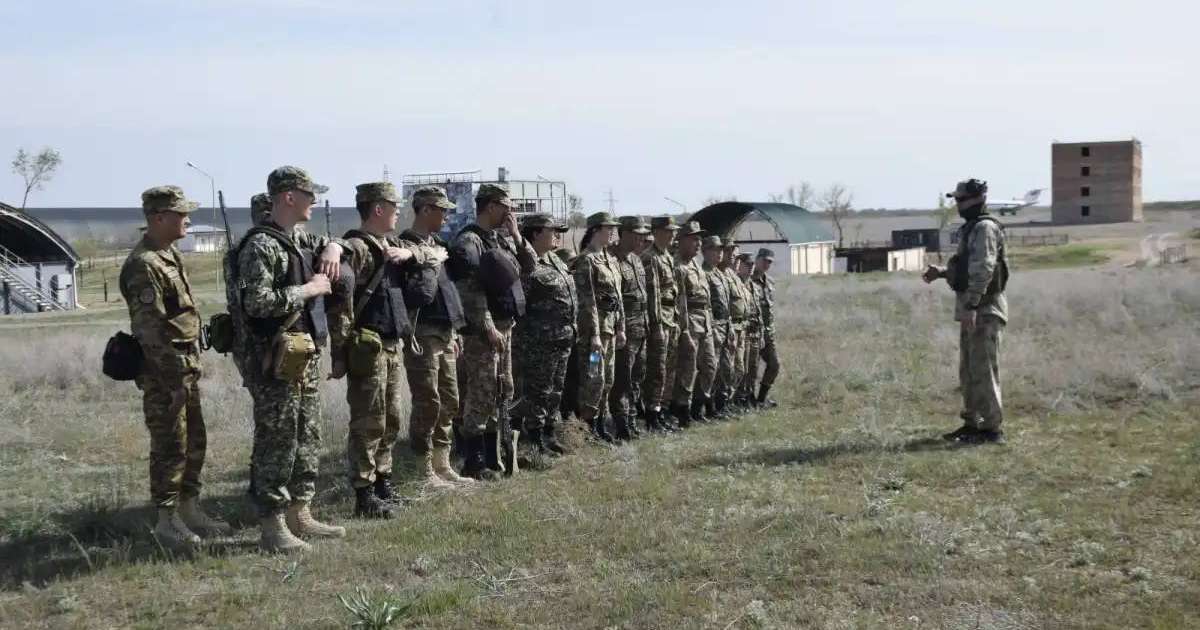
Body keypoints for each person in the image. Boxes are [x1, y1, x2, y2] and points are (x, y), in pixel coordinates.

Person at [237, 166, 346, 553]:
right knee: (278, 441)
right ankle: (273, 524)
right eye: (309, 194)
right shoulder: (261, 246)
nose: (314, 201)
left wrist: (334, 248)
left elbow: (332, 244)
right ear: (288, 197)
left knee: (306, 436)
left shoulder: (298, 238)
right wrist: (309, 288)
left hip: (302, 356)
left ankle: (301, 511)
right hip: (274, 361)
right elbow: (258, 303)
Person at [119, 185, 230, 547]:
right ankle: (166, 520)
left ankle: (189, 508)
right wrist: (173, 381)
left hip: (184, 369)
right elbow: (151, 332)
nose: (188, 220)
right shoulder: (143, 265)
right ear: (159, 218)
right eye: (182, 214)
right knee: (170, 446)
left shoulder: (167, 256)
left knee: (194, 441)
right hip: (165, 375)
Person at [329, 182, 447, 517]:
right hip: (369, 346)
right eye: (394, 206)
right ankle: (364, 494)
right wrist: (339, 354)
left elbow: (436, 253)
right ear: (378, 209)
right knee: (369, 421)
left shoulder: (392, 244)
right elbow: (340, 304)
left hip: (393, 345)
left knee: (391, 419)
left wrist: (411, 254)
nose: (399, 212)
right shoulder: (358, 247)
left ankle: (383, 481)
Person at [448, 183, 536, 480]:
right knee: (482, 392)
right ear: (491, 206)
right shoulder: (470, 242)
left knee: (503, 389)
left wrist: (517, 236)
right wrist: (487, 328)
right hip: (485, 332)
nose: (511, 212)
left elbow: (530, 265)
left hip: (505, 326)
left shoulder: (500, 239)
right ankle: (473, 460)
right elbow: (471, 292)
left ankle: (492, 455)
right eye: (507, 207)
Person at [395, 186, 474, 487]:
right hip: (422, 335)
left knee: (450, 400)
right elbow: (414, 295)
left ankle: (442, 464)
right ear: (426, 210)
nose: (445, 216)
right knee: (428, 401)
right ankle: (423, 467)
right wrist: (429, 257)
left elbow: (447, 292)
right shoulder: (405, 245)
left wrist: (455, 330)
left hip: (445, 333)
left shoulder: (438, 245)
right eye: (441, 210)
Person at [923, 178, 1009, 445]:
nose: (957, 205)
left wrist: (972, 305)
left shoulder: (984, 228)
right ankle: (972, 424)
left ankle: (991, 430)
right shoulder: (972, 228)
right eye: (956, 199)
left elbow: (984, 269)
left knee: (984, 370)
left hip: (983, 309)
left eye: (961, 200)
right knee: (969, 370)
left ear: (978, 199)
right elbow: (969, 269)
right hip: (972, 309)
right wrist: (943, 273)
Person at [513, 213, 576, 459]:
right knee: (538, 391)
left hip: (562, 338)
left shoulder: (555, 260)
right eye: (552, 230)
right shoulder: (525, 265)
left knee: (555, 389)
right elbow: (519, 304)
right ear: (536, 233)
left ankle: (549, 434)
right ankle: (535, 437)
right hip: (538, 341)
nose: (557, 235)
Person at [573, 212, 625, 442]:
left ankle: (601, 423)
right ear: (596, 230)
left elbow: (618, 297)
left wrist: (621, 326)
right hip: (595, 334)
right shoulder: (586, 260)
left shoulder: (610, 260)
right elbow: (588, 301)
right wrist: (594, 334)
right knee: (594, 378)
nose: (613, 231)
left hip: (611, 330)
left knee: (609, 379)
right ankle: (587, 427)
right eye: (608, 227)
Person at [608, 216, 651, 440]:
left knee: (637, 376)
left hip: (640, 328)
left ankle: (632, 420)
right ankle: (621, 424)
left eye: (643, 234)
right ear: (623, 234)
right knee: (622, 380)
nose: (640, 238)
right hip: (624, 330)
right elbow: (613, 300)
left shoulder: (636, 259)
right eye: (636, 234)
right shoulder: (612, 259)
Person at [640, 216, 682, 432]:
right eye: (668, 231)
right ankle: (651, 415)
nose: (672, 234)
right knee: (657, 369)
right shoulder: (650, 257)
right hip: (660, 320)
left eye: (673, 231)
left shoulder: (666, 256)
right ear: (656, 232)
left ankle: (662, 410)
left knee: (669, 368)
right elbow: (653, 294)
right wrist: (656, 325)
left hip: (670, 317)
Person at [670, 221, 712, 427]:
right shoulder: (678, 266)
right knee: (687, 369)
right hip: (690, 324)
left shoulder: (696, 264)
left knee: (709, 366)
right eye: (694, 239)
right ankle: (682, 411)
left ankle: (698, 407)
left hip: (705, 322)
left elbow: (706, 297)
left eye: (699, 239)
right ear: (682, 240)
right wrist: (685, 331)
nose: (698, 243)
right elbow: (681, 302)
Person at [698, 235, 730, 420]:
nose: (720, 253)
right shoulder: (704, 273)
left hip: (725, 326)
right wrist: (711, 327)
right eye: (715, 250)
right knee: (711, 368)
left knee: (723, 369)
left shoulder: (720, 273)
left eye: (721, 250)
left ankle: (718, 406)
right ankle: (706, 408)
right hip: (713, 327)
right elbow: (706, 304)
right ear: (706, 252)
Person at [717, 239, 749, 416]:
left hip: (738, 326)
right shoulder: (721, 274)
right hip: (726, 327)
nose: (734, 257)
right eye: (730, 253)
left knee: (738, 368)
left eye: (735, 254)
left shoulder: (732, 276)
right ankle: (720, 403)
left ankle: (728, 400)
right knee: (725, 368)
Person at [751, 248, 780, 407]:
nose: (767, 264)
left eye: (770, 262)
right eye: (764, 260)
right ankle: (746, 399)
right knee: (751, 369)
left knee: (774, 365)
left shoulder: (769, 282)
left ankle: (761, 398)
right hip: (754, 332)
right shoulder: (748, 279)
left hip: (768, 333)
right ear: (757, 259)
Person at [736, 253, 763, 408]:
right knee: (742, 367)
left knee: (753, 367)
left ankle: (750, 395)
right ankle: (740, 398)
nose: (751, 267)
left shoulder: (753, 285)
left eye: (753, 264)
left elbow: (758, 310)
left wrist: (762, 334)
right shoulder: (738, 283)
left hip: (755, 332)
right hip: (744, 331)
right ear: (741, 265)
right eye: (748, 264)